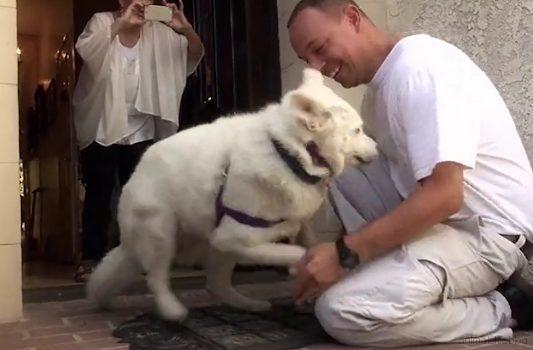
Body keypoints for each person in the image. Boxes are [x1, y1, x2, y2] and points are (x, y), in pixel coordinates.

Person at [287, 0, 533, 346]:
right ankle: (371, 274)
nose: (316, 67)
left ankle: (507, 305)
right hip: (446, 225)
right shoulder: (380, 89)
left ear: (353, 18)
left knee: (342, 311)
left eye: (319, 48)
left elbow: (445, 196)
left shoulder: (422, 69)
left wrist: (344, 254)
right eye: (306, 60)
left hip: (489, 237)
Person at [72, 0, 204, 282]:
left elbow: (193, 56)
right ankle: (91, 258)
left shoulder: (159, 32)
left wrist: (186, 29)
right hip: (103, 124)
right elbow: (87, 51)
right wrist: (120, 24)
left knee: (139, 196)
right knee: (99, 192)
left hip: (140, 128)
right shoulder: (101, 21)